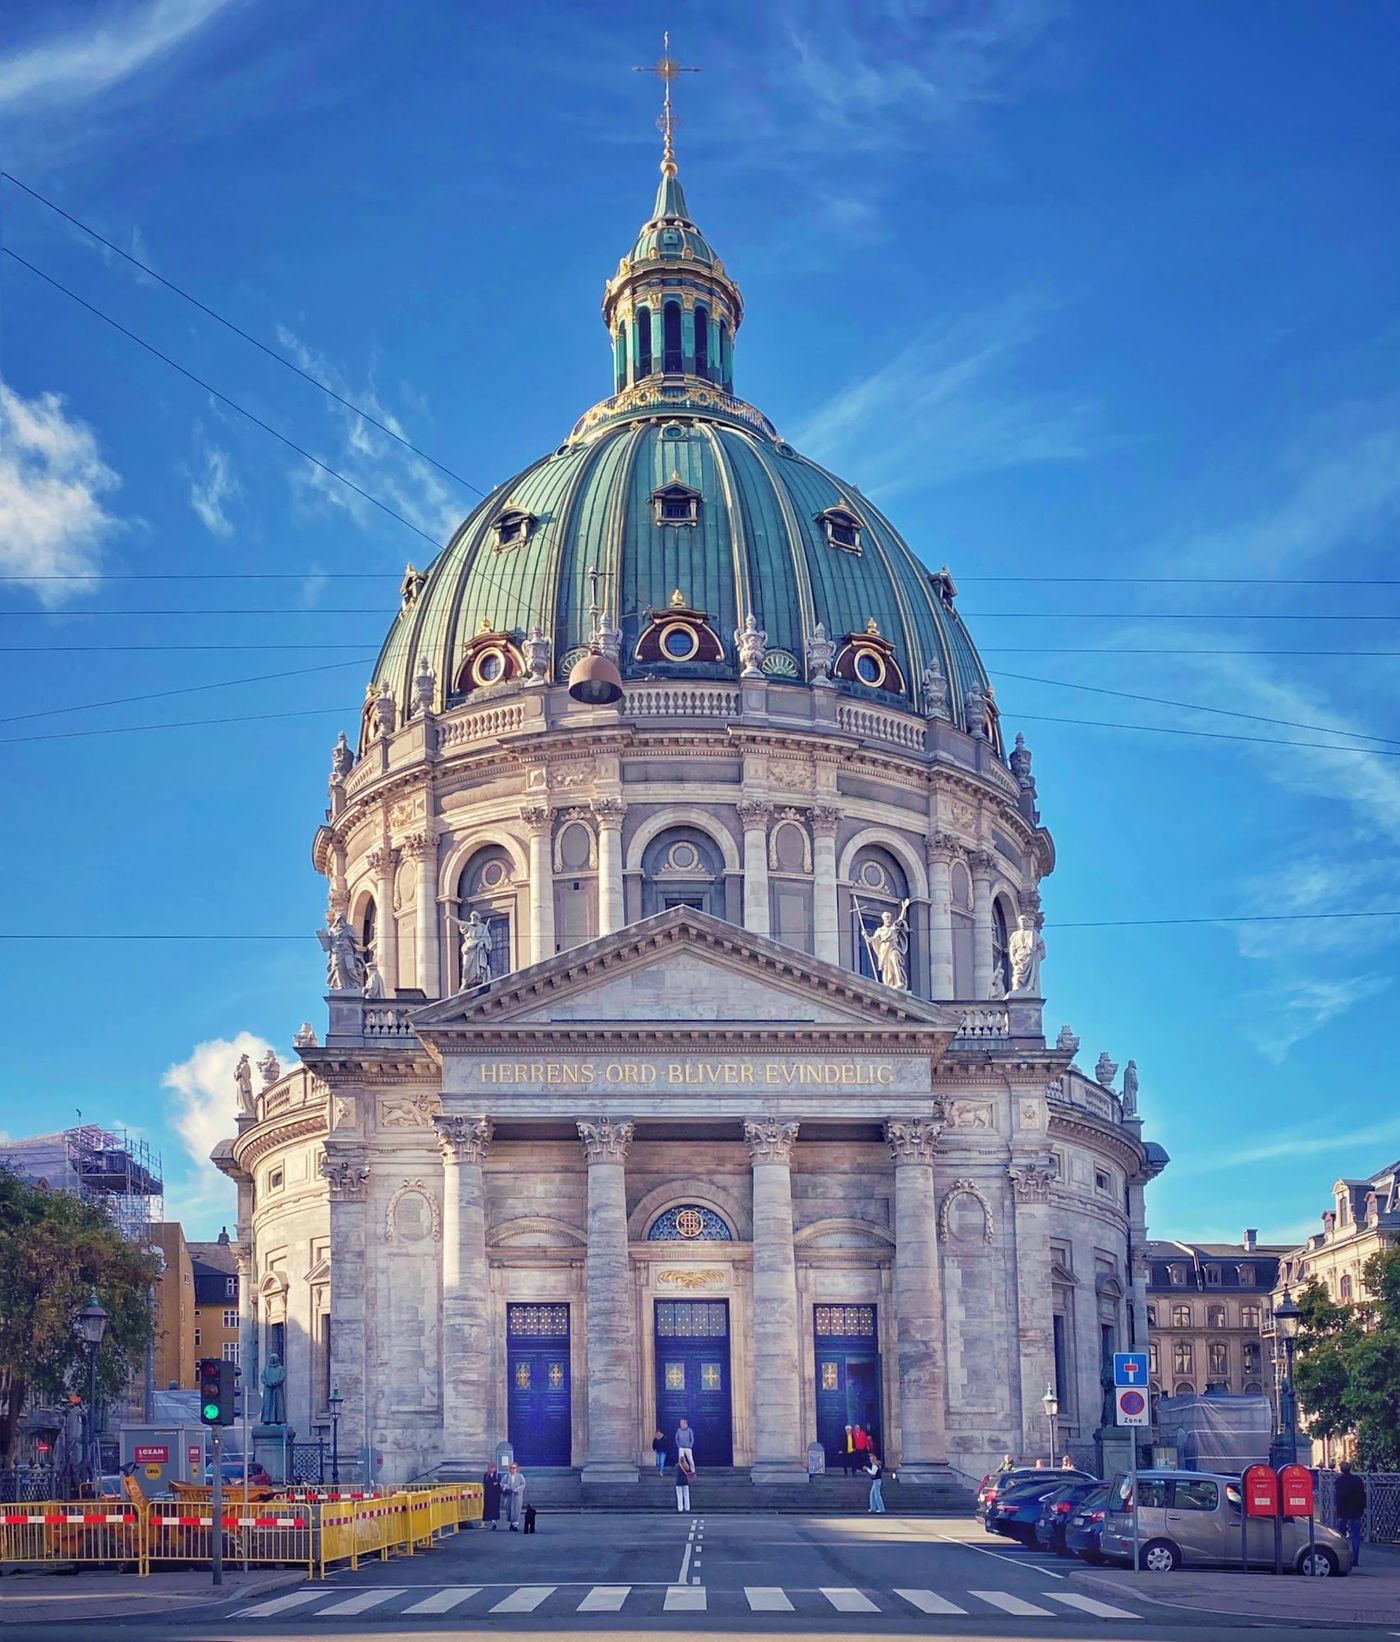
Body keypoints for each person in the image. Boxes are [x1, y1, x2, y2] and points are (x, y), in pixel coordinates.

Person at [1336, 1461, 1367, 1567]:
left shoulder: (1339, 1481)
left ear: (1341, 1469)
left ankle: (1343, 1557)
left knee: (1341, 1535)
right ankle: (1355, 1559)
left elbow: (1339, 1498)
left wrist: (1338, 1510)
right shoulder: (1358, 1480)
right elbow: (1363, 1495)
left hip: (1343, 1511)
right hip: (1356, 1510)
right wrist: (1362, 1508)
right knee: (1355, 1535)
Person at [502, 1461, 527, 1531]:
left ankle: (515, 1524)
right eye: (511, 1468)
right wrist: (505, 1486)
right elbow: (502, 1483)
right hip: (509, 1496)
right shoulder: (506, 1476)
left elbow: (523, 1484)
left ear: (517, 1469)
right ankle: (511, 1523)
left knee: (516, 1509)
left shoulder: (520, 1476)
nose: (512, 1469)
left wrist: (518, 1489)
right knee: (509, 1509)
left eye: (514, 1468)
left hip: (517, 1496)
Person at [482, 1461, 502, 1529]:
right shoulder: (486, 1475)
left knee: (494, 1508)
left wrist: (496, 1484)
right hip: (488, 1494)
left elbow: (499, 1483)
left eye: (492, 1467)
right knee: (488, 1508)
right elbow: (485, 1483)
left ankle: (494, 1522)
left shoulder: (497, 1475)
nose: (491, 1469)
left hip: (495, 1495)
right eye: (490, 1467)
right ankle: (490, 1520)